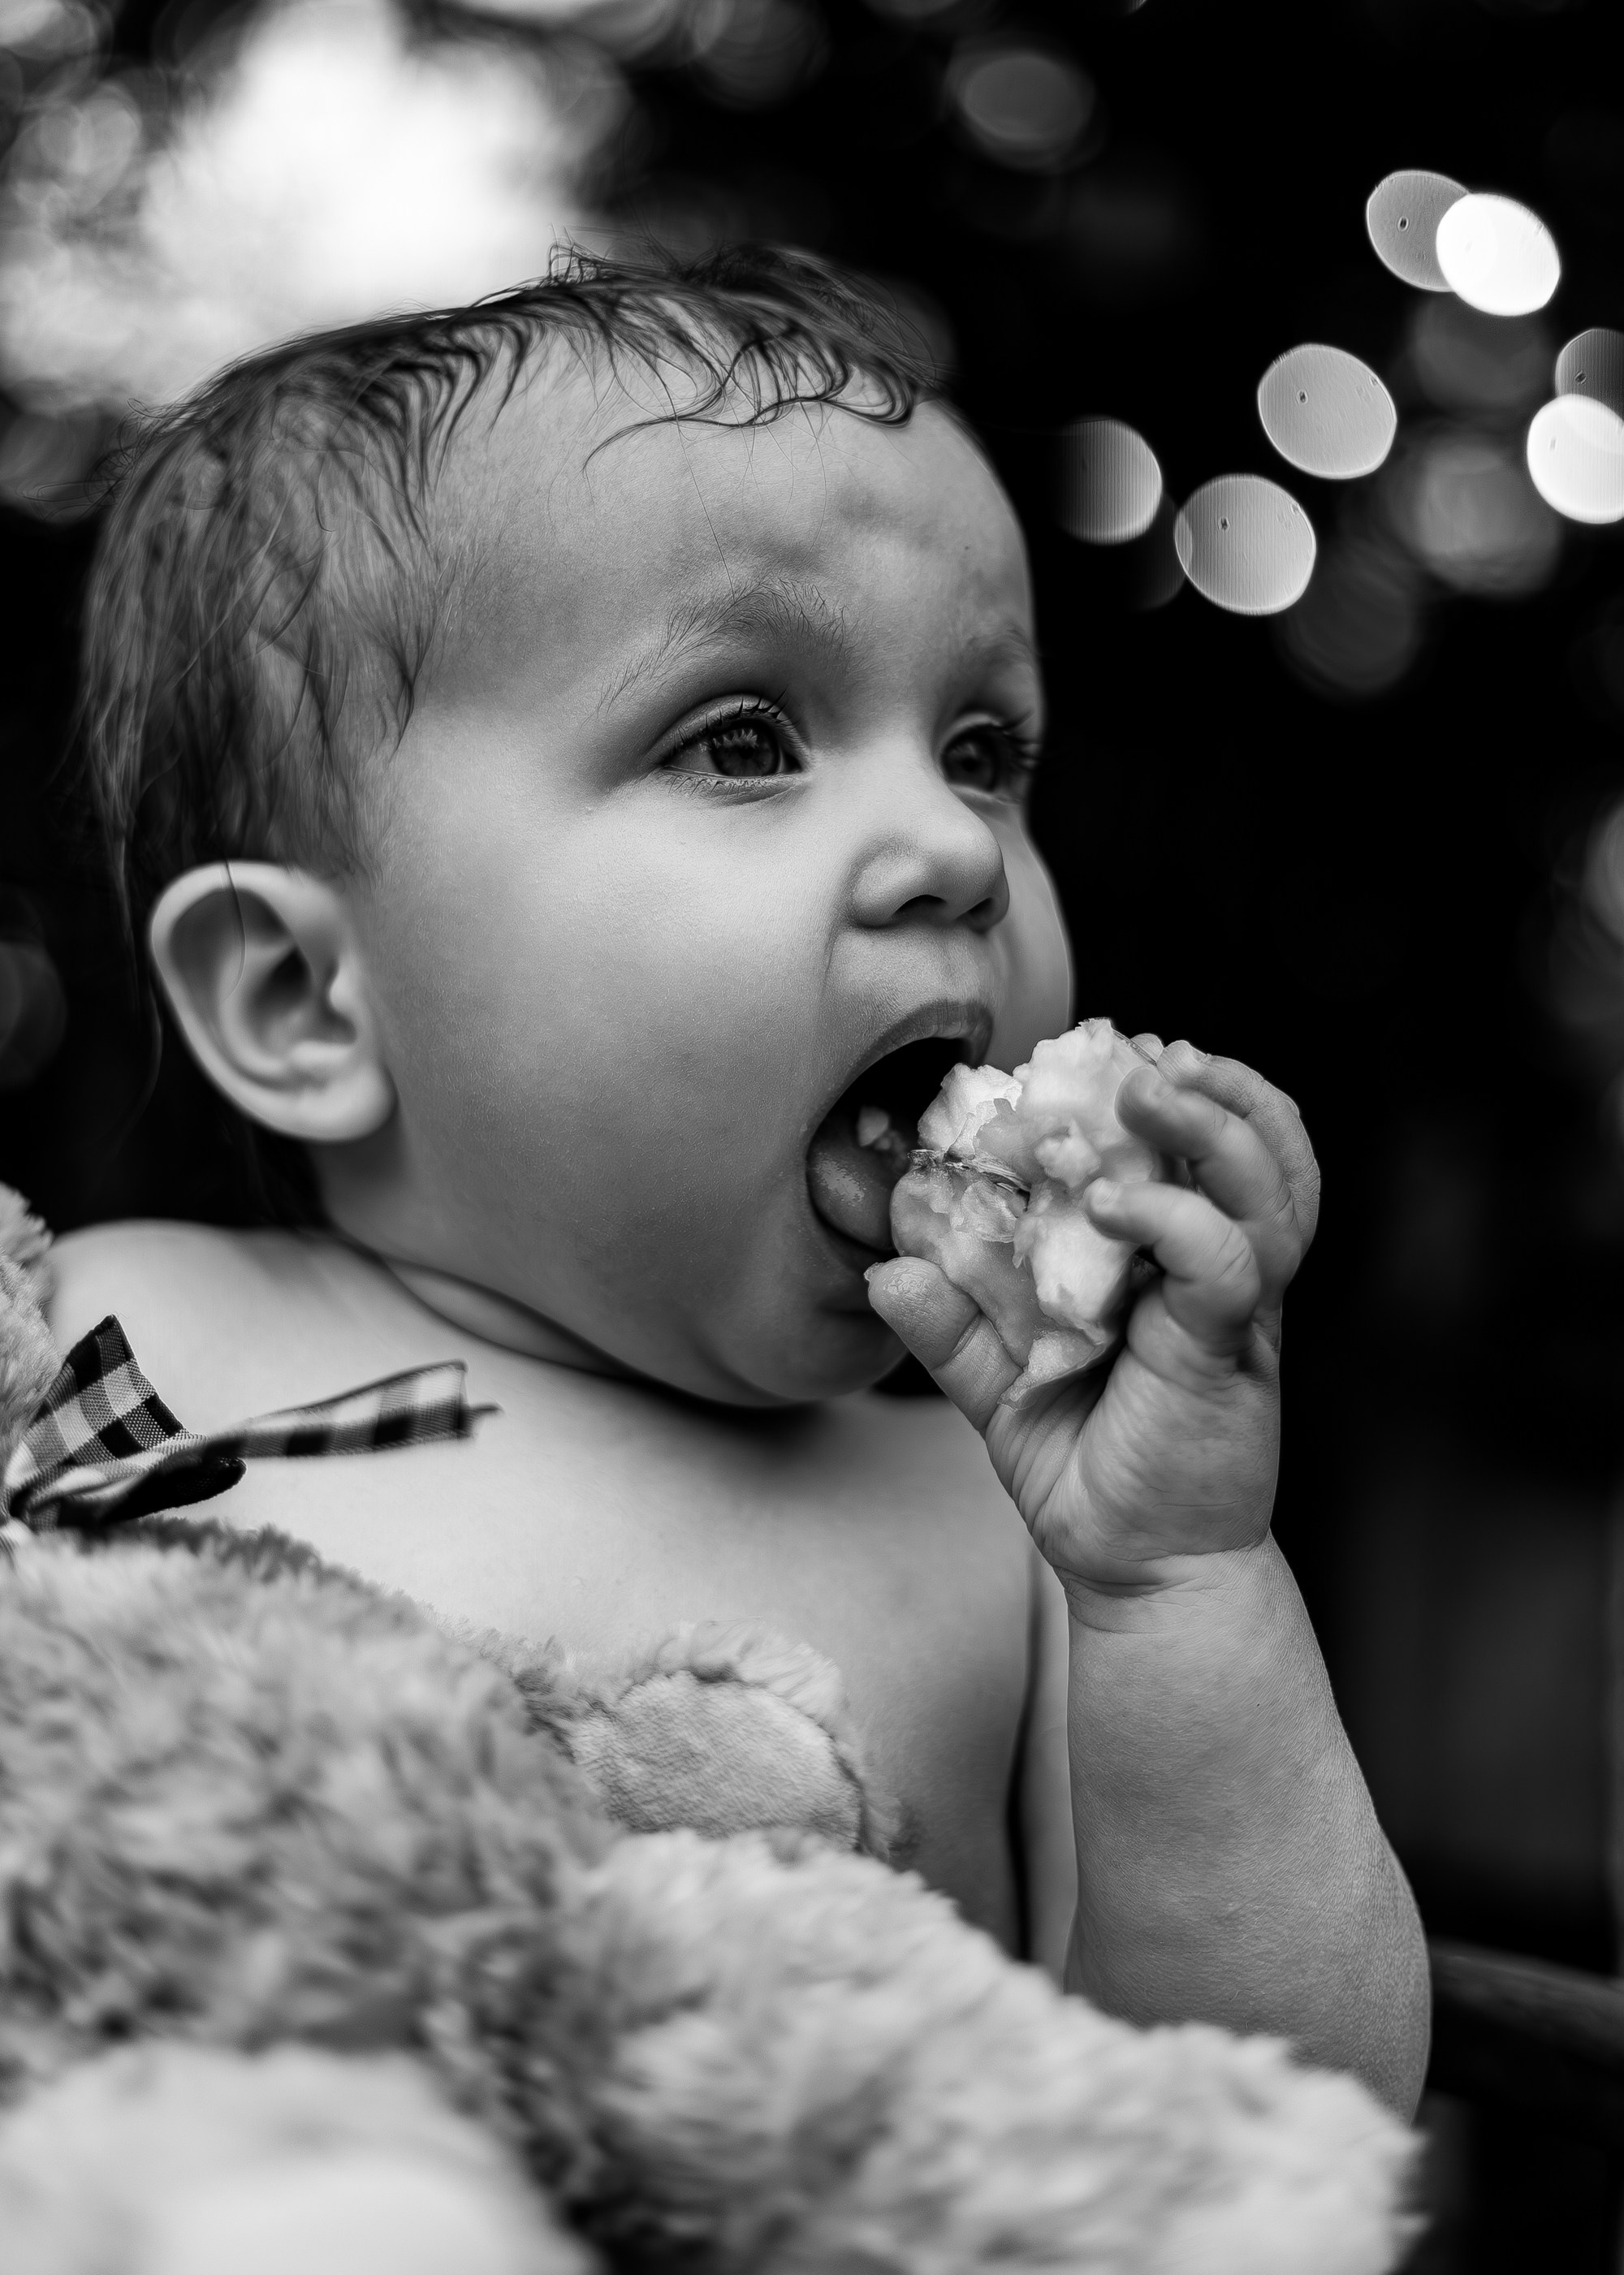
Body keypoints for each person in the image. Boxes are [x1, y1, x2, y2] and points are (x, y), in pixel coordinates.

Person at [54, 247, 1428, 2110]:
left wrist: (1181, 1588)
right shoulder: (92, 1337)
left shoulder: (1014, 1546)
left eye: (982, 750)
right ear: (305, 998)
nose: (948, 842)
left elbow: (1279, 2117)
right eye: (744, 740)